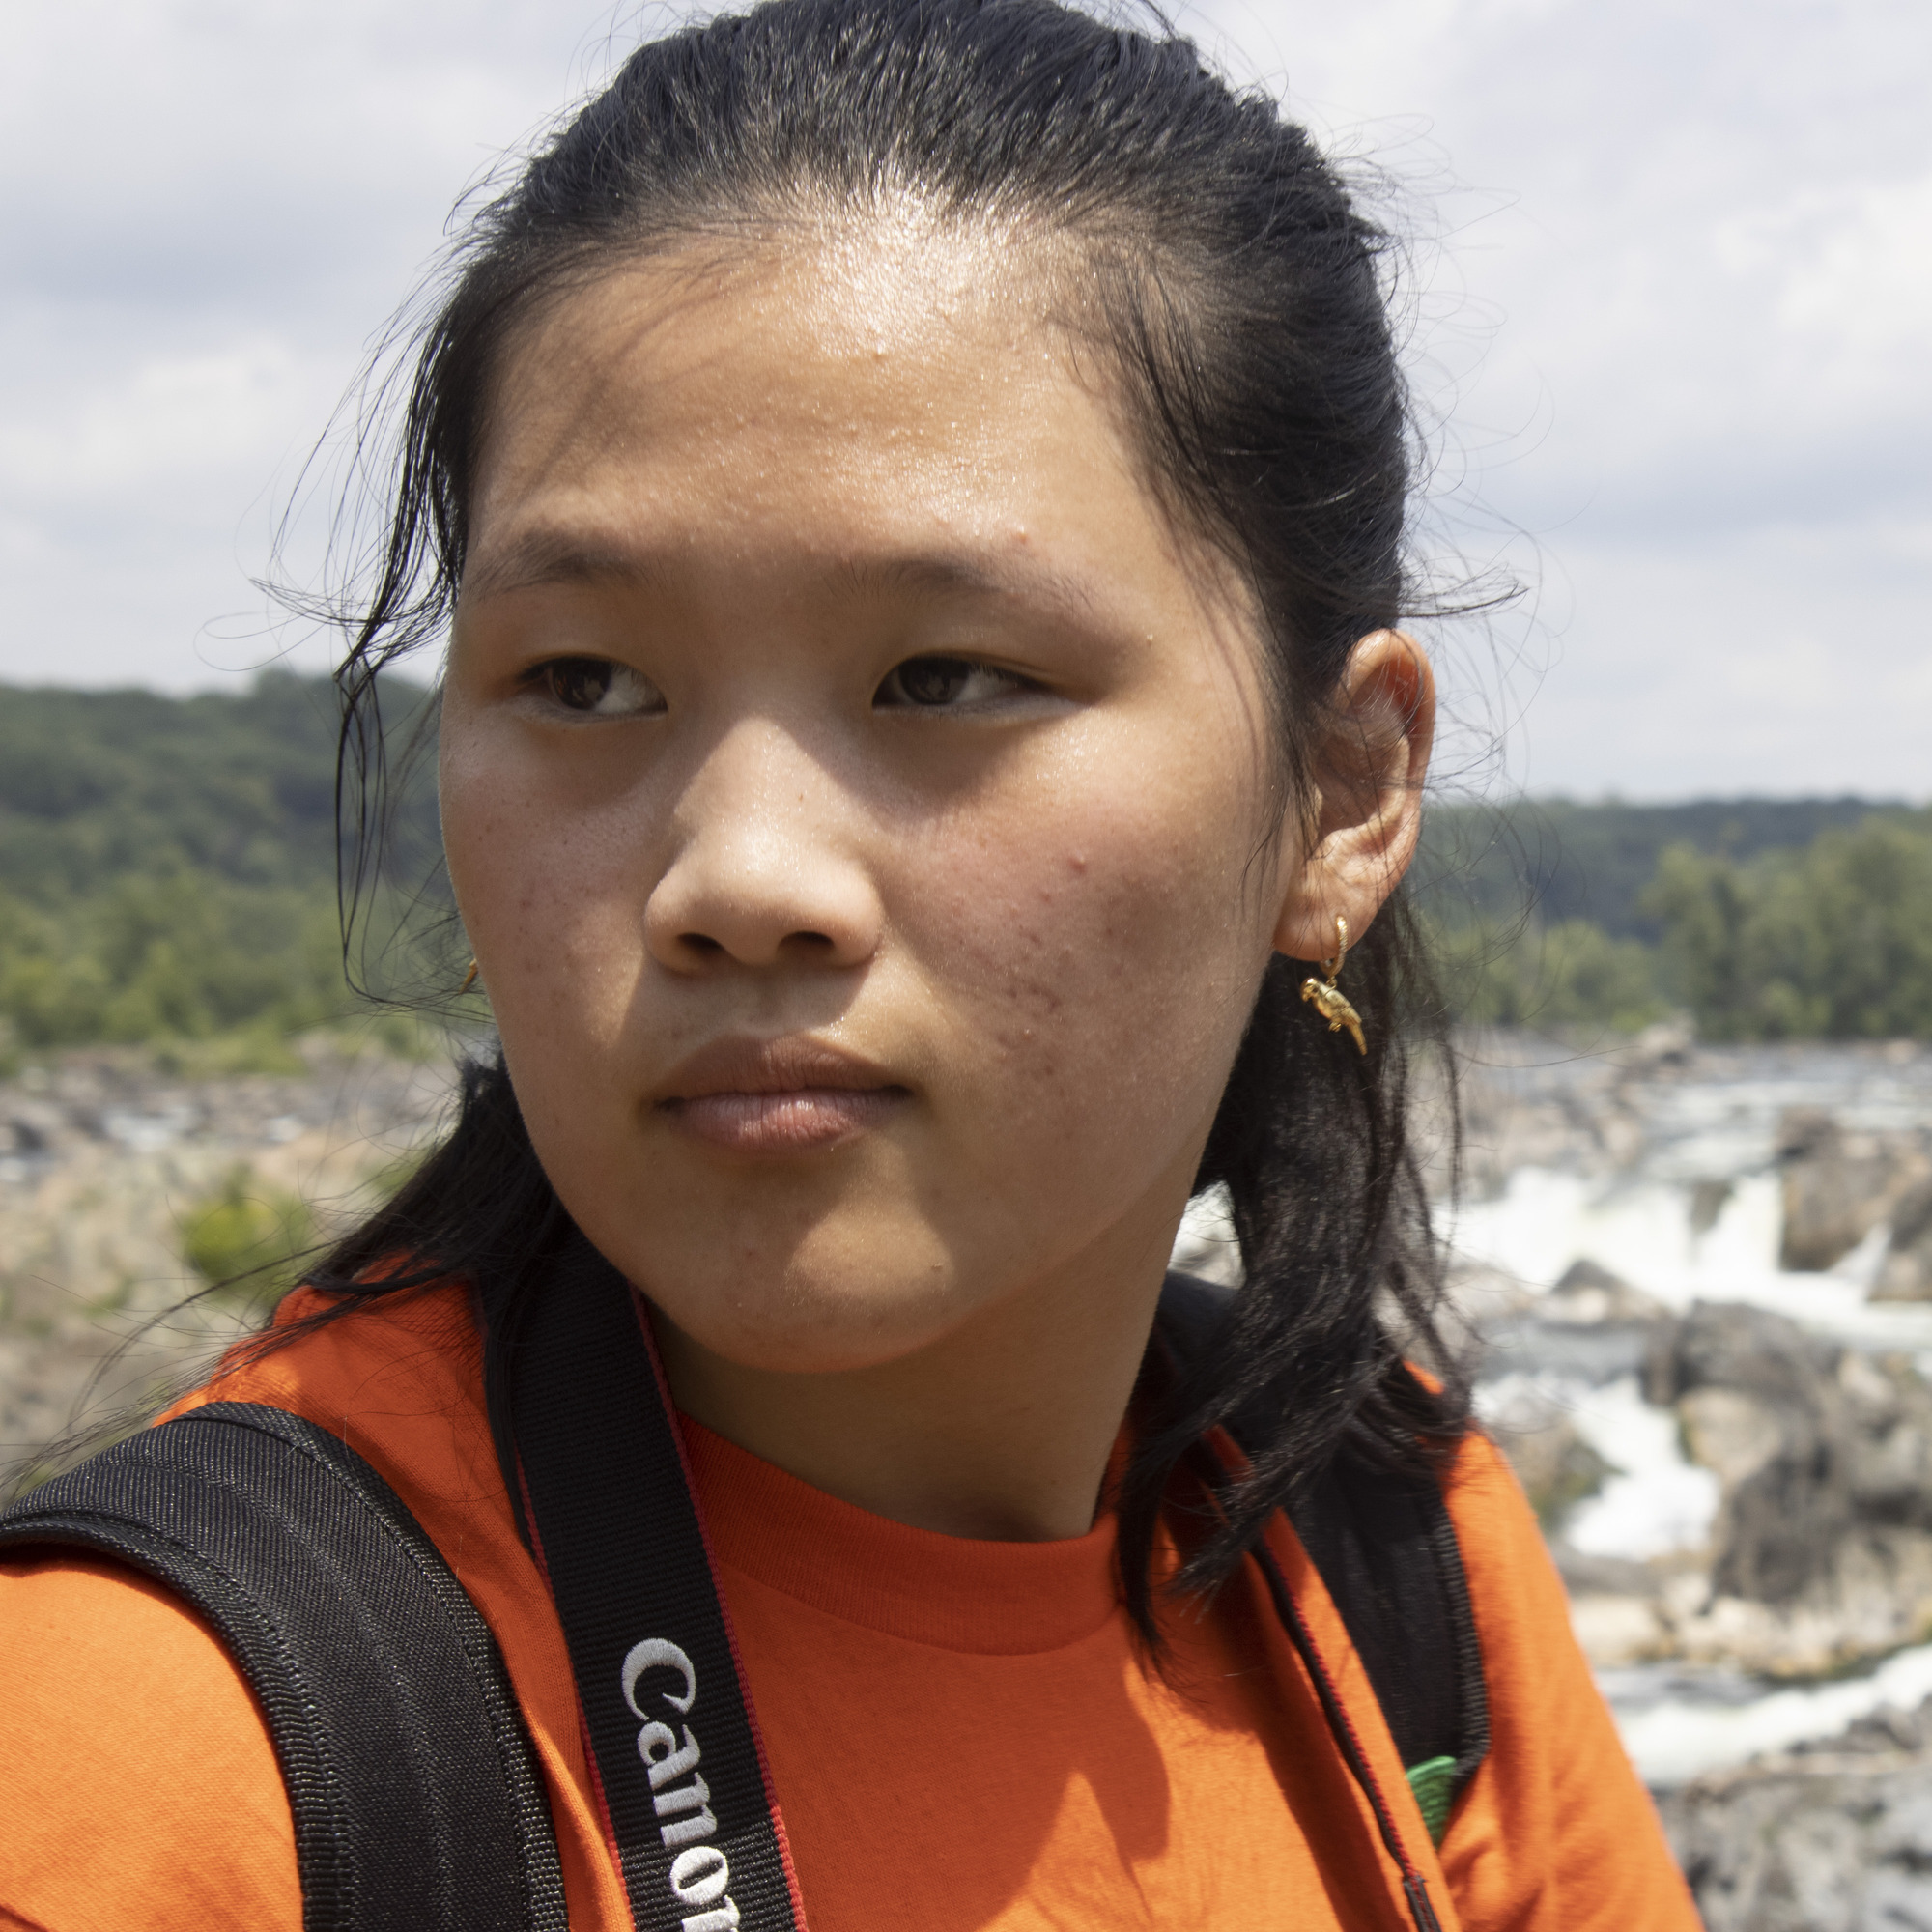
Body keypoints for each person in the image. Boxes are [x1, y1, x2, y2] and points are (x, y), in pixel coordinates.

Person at [0, 3, 1702, 1926]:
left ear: (1340, 792)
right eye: (585, 682)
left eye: (943, 680)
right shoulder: (170, 1759)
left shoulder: (1390, 1571)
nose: (735, 877)